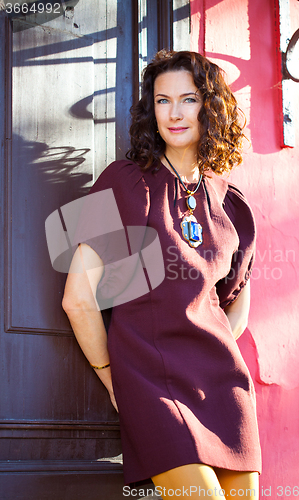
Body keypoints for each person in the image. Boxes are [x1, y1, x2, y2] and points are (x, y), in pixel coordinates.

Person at [62, 50, 261, 499]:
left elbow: (235, 313)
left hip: (223, 385)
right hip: (150, 382)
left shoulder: (233, 204)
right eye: (161, 100)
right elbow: (77, 298)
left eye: (188, 99)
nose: (173, 113)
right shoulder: (122, 183)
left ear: (210, 108)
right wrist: (116, 380)